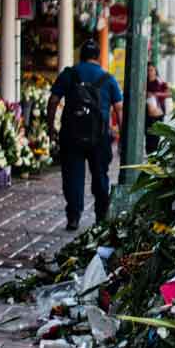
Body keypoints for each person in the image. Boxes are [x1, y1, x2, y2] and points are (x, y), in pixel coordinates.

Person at [47, 40, 123, 231]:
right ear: (98, 56)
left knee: (72, 176)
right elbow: (119, 109)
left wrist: (50, 127)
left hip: (71, 135)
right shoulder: (108, 79)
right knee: (100, 176)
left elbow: (53, 100)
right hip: (100, 137)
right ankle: (101, 216)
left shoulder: (69, 74)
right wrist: (122, 136)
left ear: (81, 55)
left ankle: (73, 216)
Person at [145, 63, 170, 153]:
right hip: (147, 113)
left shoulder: (160, 82)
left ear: (155, 71)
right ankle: (150, 154)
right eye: (148, 70)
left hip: (158, 113)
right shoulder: (144, 82)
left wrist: (156, 95)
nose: (150, 72)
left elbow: (168, 93)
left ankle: (154, 154)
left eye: (151, 70)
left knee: (156, 136)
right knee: (148, 136)